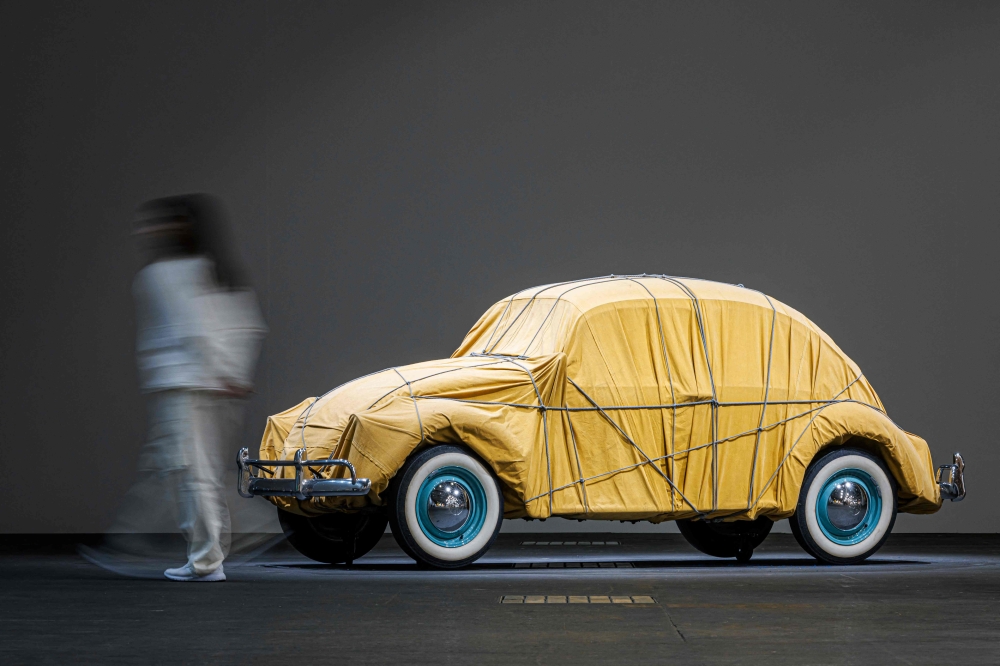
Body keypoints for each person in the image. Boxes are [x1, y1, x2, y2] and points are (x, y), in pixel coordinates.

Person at [111, 194, 266, 582]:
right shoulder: (213, 269)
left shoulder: (165, 273)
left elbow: (192, 329)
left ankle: (206, 560)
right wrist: (232, 373)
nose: (147, 230)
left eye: (157, 222)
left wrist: (221, 371)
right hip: (209, 385)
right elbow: (247, 326)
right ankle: (216, 548)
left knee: (189, 472)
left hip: (183, 385)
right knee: (198, 472)